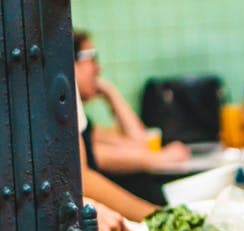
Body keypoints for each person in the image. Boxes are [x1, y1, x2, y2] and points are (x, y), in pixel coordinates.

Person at [73, 31, 191, 173]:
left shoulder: (84, 123)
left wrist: (111, 93)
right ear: (70, 64)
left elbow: (140, 144)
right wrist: (160, 158)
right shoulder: (67, 126)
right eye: (92, 58)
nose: (99, 68)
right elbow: (96, 157)